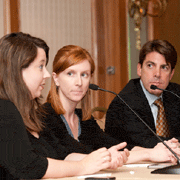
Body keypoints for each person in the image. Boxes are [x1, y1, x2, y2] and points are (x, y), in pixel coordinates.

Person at [0, 32, 125, 180]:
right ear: (18, 70)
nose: (46, 74)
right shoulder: (4, 110)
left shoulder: (26, 114)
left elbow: (60, 154)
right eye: (40, 66)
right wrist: (84, 166)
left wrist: (100, 159)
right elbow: (28, 166)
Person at [42, 44, 179, 165]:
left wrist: (157, 150)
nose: (79, 82)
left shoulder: (84, 119)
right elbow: (66, 155)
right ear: (56, 78)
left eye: (84, 75)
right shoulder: (45, 115)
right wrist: (148, 154)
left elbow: (114, 146)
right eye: (70, 74)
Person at [105, 39, 180, 149]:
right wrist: (176, 144)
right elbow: (147, 142)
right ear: (139, 69)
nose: (157, 74)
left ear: (171, 74)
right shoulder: (124, 103)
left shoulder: (176, 94)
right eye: (150, 66)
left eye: (164, 67)